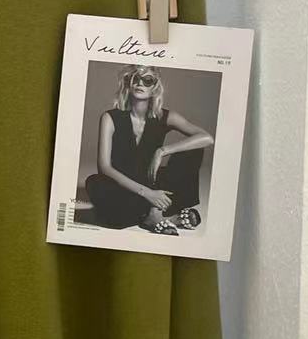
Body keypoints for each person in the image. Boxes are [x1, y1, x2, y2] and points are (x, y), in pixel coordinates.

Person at [79, 64, 215, 234]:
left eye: (147, 80)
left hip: (152, 180)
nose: (140, 83)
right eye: (135, 78)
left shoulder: (165, 116)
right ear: (128, 84)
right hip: (125, 187)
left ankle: (153, 214)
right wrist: (148, 193)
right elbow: (104, 167)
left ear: (155, 88)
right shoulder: (110, 117)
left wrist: (162, 151)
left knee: (193, 150)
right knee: (95, 183)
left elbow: (207, 138)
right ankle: (163, 216)